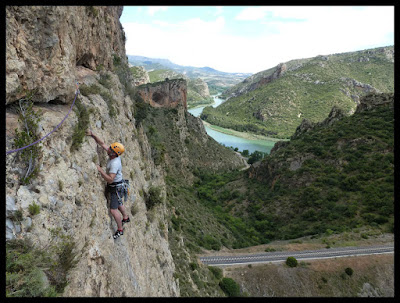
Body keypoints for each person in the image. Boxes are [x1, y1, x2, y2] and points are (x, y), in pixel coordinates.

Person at [86, 129, 130, 239]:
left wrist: (100, 170)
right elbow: (102, 144)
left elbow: (110, 179)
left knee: (113, 210)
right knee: (119, 203)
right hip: (117, 186)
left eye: (110, 148)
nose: (108, 148)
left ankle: (120, 229)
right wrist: (92, 134)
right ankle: (125, 217)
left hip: (115, 187)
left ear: (114, 153)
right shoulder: (113, 154)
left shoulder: (115, 163)